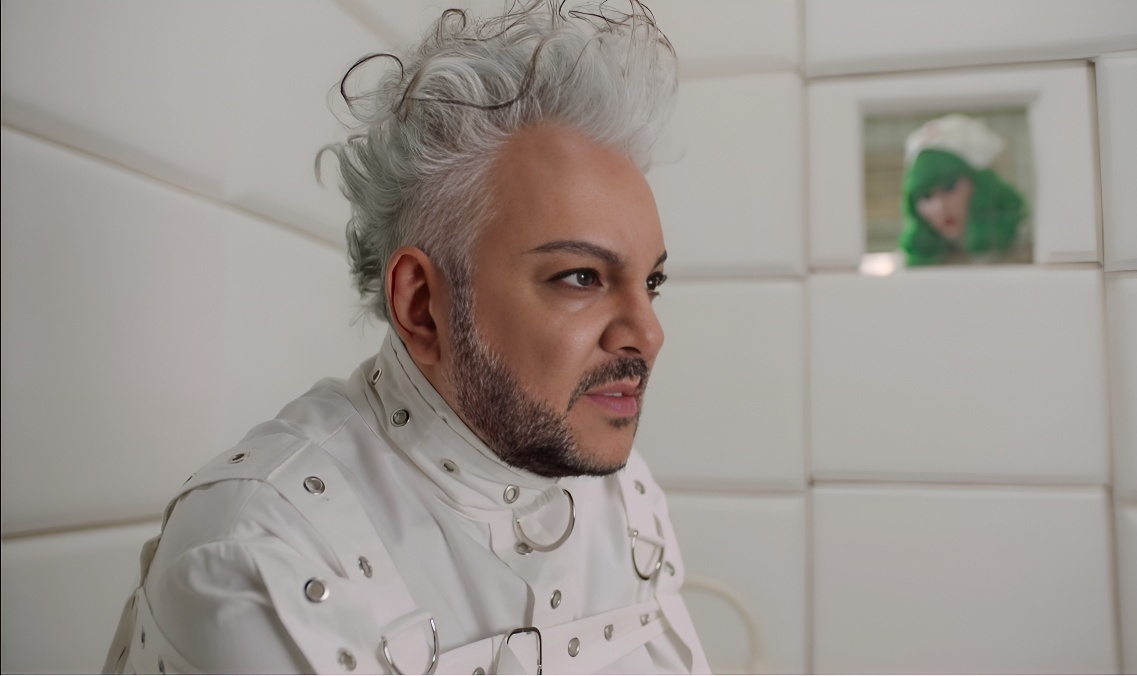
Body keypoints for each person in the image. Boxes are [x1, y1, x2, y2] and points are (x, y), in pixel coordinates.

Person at [103, 2, 709, 673]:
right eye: (581, 278)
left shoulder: (625, 495)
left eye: (651, 283)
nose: (648, 333)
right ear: (421, 305)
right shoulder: (260, 557)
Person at [898, 114, 1028, 266]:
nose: (940, 207)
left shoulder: (1028, 254)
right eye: (927, 196)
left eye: (949, 186)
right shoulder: (910, 265)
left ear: (984, 186)